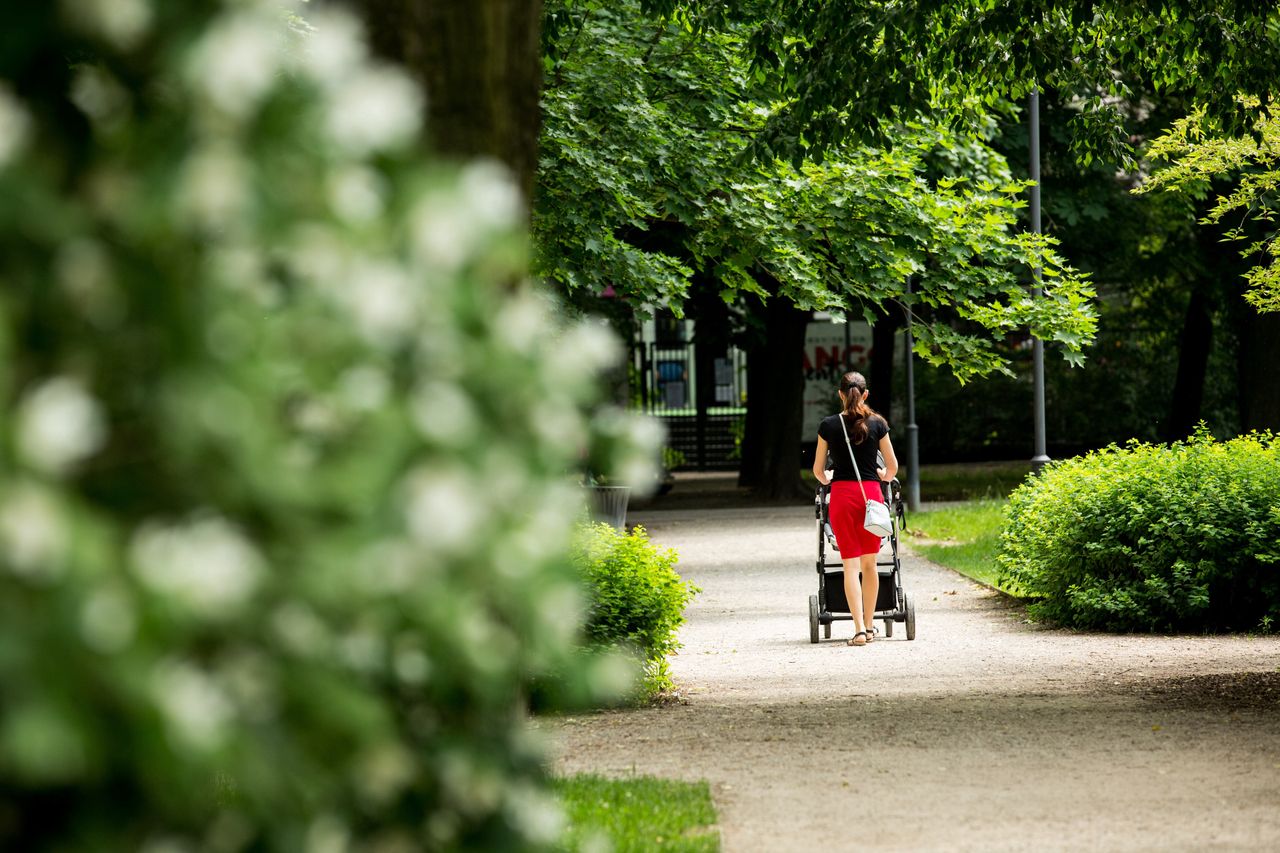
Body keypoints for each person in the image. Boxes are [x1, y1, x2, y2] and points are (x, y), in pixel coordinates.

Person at [812, 371, 898, 646]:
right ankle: (872, 627)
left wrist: (828, 478)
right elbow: (892, 468)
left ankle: (859, 629)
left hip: (842, 497)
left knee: (850, 565)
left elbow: (818, 470)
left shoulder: (828, 425)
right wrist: (882, 475)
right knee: (870, 564)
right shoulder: (878, 424)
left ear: (840, 394)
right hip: (871, 496)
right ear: (865, 394)